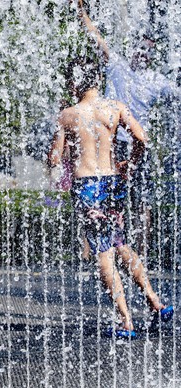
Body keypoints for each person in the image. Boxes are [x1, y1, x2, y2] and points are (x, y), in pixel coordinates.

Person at [48, 57, 173, 338]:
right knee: (121, 243)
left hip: (86, 187)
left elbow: (55, 159)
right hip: (112, 181)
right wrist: (128, 163)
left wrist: (64, 148)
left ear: (75, 82)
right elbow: (142, 138)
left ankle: (126, 320)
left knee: (104, 252)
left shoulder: (68, 115)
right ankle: (156, 302)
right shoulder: (115, 108)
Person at [75, 0, 179, 256]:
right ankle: (94, 251)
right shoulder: (118, 67)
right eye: (140, 48)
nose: (142, 53)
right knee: (98, 196)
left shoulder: (157, 81)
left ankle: (139, 253)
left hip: (136, 143)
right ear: (134, 50)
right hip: (111, 143)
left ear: (152, 56)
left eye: (148, 51)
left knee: (142, 200)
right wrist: (81, 12)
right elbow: (96, 39)